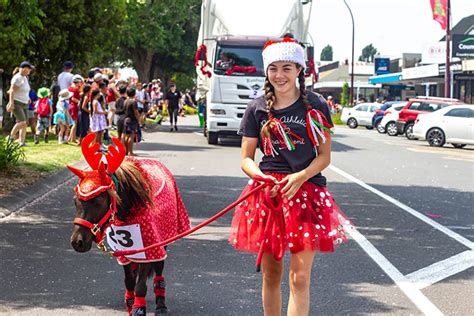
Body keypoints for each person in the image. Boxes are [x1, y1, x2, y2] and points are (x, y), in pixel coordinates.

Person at [228, 37, 351, 316]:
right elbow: (246, 158)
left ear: (299, 70)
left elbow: (324, 157)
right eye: (273, 68)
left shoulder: (316, 105)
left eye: (287, 68)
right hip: (268, 194)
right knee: (271, 275)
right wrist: (262, 178)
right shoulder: (257, 107)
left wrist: (300, 177)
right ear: (266, 71)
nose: (279, 75)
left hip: (307, 194)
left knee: (300, 277)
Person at [6, 61, 33, 146]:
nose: (30, 71)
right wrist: (11, 102)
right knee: (22, 122)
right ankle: (10, 137)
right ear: (24, 69)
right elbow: (12, 91)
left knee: (25, 124)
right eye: (29, 69)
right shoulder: (17, 78)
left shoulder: (25, 77)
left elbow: (25, 90)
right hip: (17, 102)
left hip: (25, 103)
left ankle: (22, 141)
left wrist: (28, 98)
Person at [123, 86, 140, 156]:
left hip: (126, 119)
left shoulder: (125, 101)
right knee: (131, 136)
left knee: (126, 136)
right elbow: (135, 112)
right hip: (132, 120)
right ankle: (130, 152)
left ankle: (126, 151)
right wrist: (138, 119)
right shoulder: (133, 102)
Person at [68, 74, 83, 144]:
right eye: (80, 83)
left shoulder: (70, 88)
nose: (80, 84)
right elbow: (73, 98)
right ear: (76, 82)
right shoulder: (75, 89)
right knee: (74, 123)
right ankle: (72, 138)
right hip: (74, 106)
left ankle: (70, 137)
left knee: (72, 123)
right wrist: (79, 101)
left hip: (70, 105)